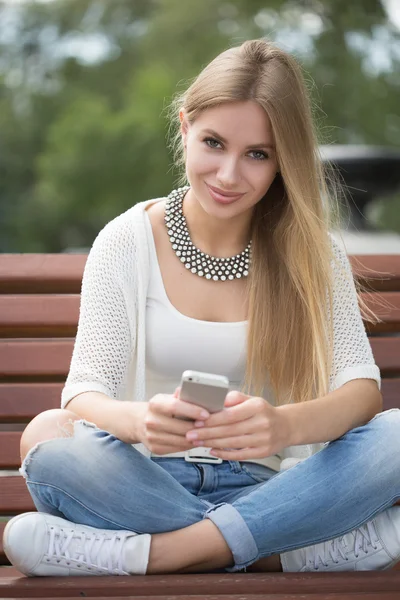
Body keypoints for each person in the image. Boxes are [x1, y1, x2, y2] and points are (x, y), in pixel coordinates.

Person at [3, 39, 400, 577]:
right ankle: (277, 555)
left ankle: (161, 555)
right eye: (214, 143)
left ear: (284, 160)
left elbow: (361, 391)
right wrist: (140, 422)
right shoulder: (126, 241)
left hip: (275, 486)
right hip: (146, 484)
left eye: (257, 154)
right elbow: (83, 392)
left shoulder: (312, 252)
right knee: (47, 437)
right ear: (186, 127)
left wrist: (282, 427)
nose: (229, 175)